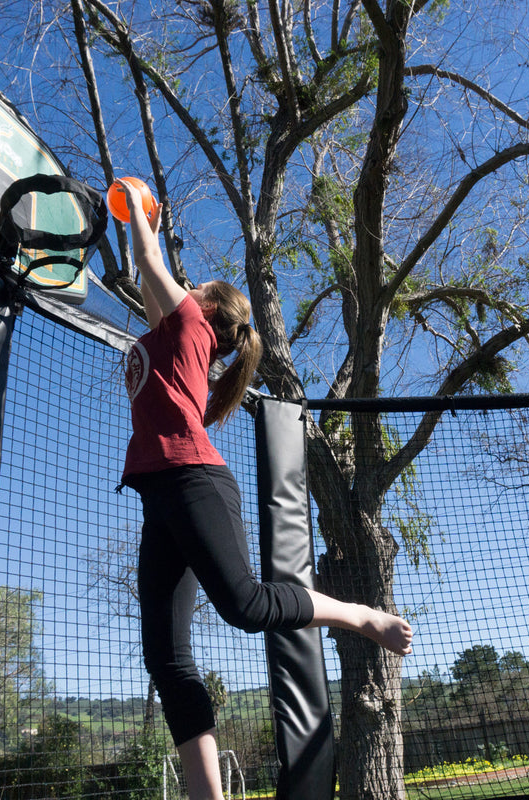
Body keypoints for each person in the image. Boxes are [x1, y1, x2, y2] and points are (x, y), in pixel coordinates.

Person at [113, 180, 413, 800]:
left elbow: (148, 263)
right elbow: (146, 274)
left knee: (245, 606)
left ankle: (360, 615)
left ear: (205, 305)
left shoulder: (190, 321)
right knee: (165, 660)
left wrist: (140, 210)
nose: (182, 285)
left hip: (193, 479)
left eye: (192, 286)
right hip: (159, 495)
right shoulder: (172, 333)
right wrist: (132, 221)